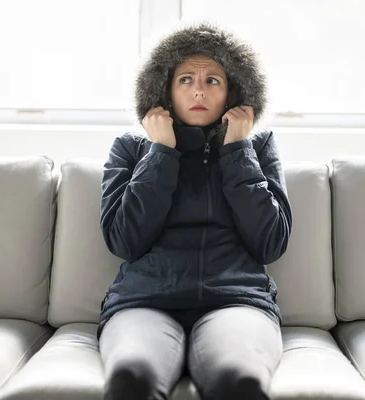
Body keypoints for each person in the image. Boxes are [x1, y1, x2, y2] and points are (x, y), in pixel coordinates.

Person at [98, 22, 292, 400]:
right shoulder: (131, 148)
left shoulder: (259, 147)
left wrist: (237, 151)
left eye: (213, 80)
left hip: (236, 301)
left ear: (234, 92)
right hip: (144, 302)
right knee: (131, 379)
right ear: (165, 91)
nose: (199, 89)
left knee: (242, 381)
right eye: (185, 79)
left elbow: (270, 243)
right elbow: (124, 240)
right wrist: (161, 154)